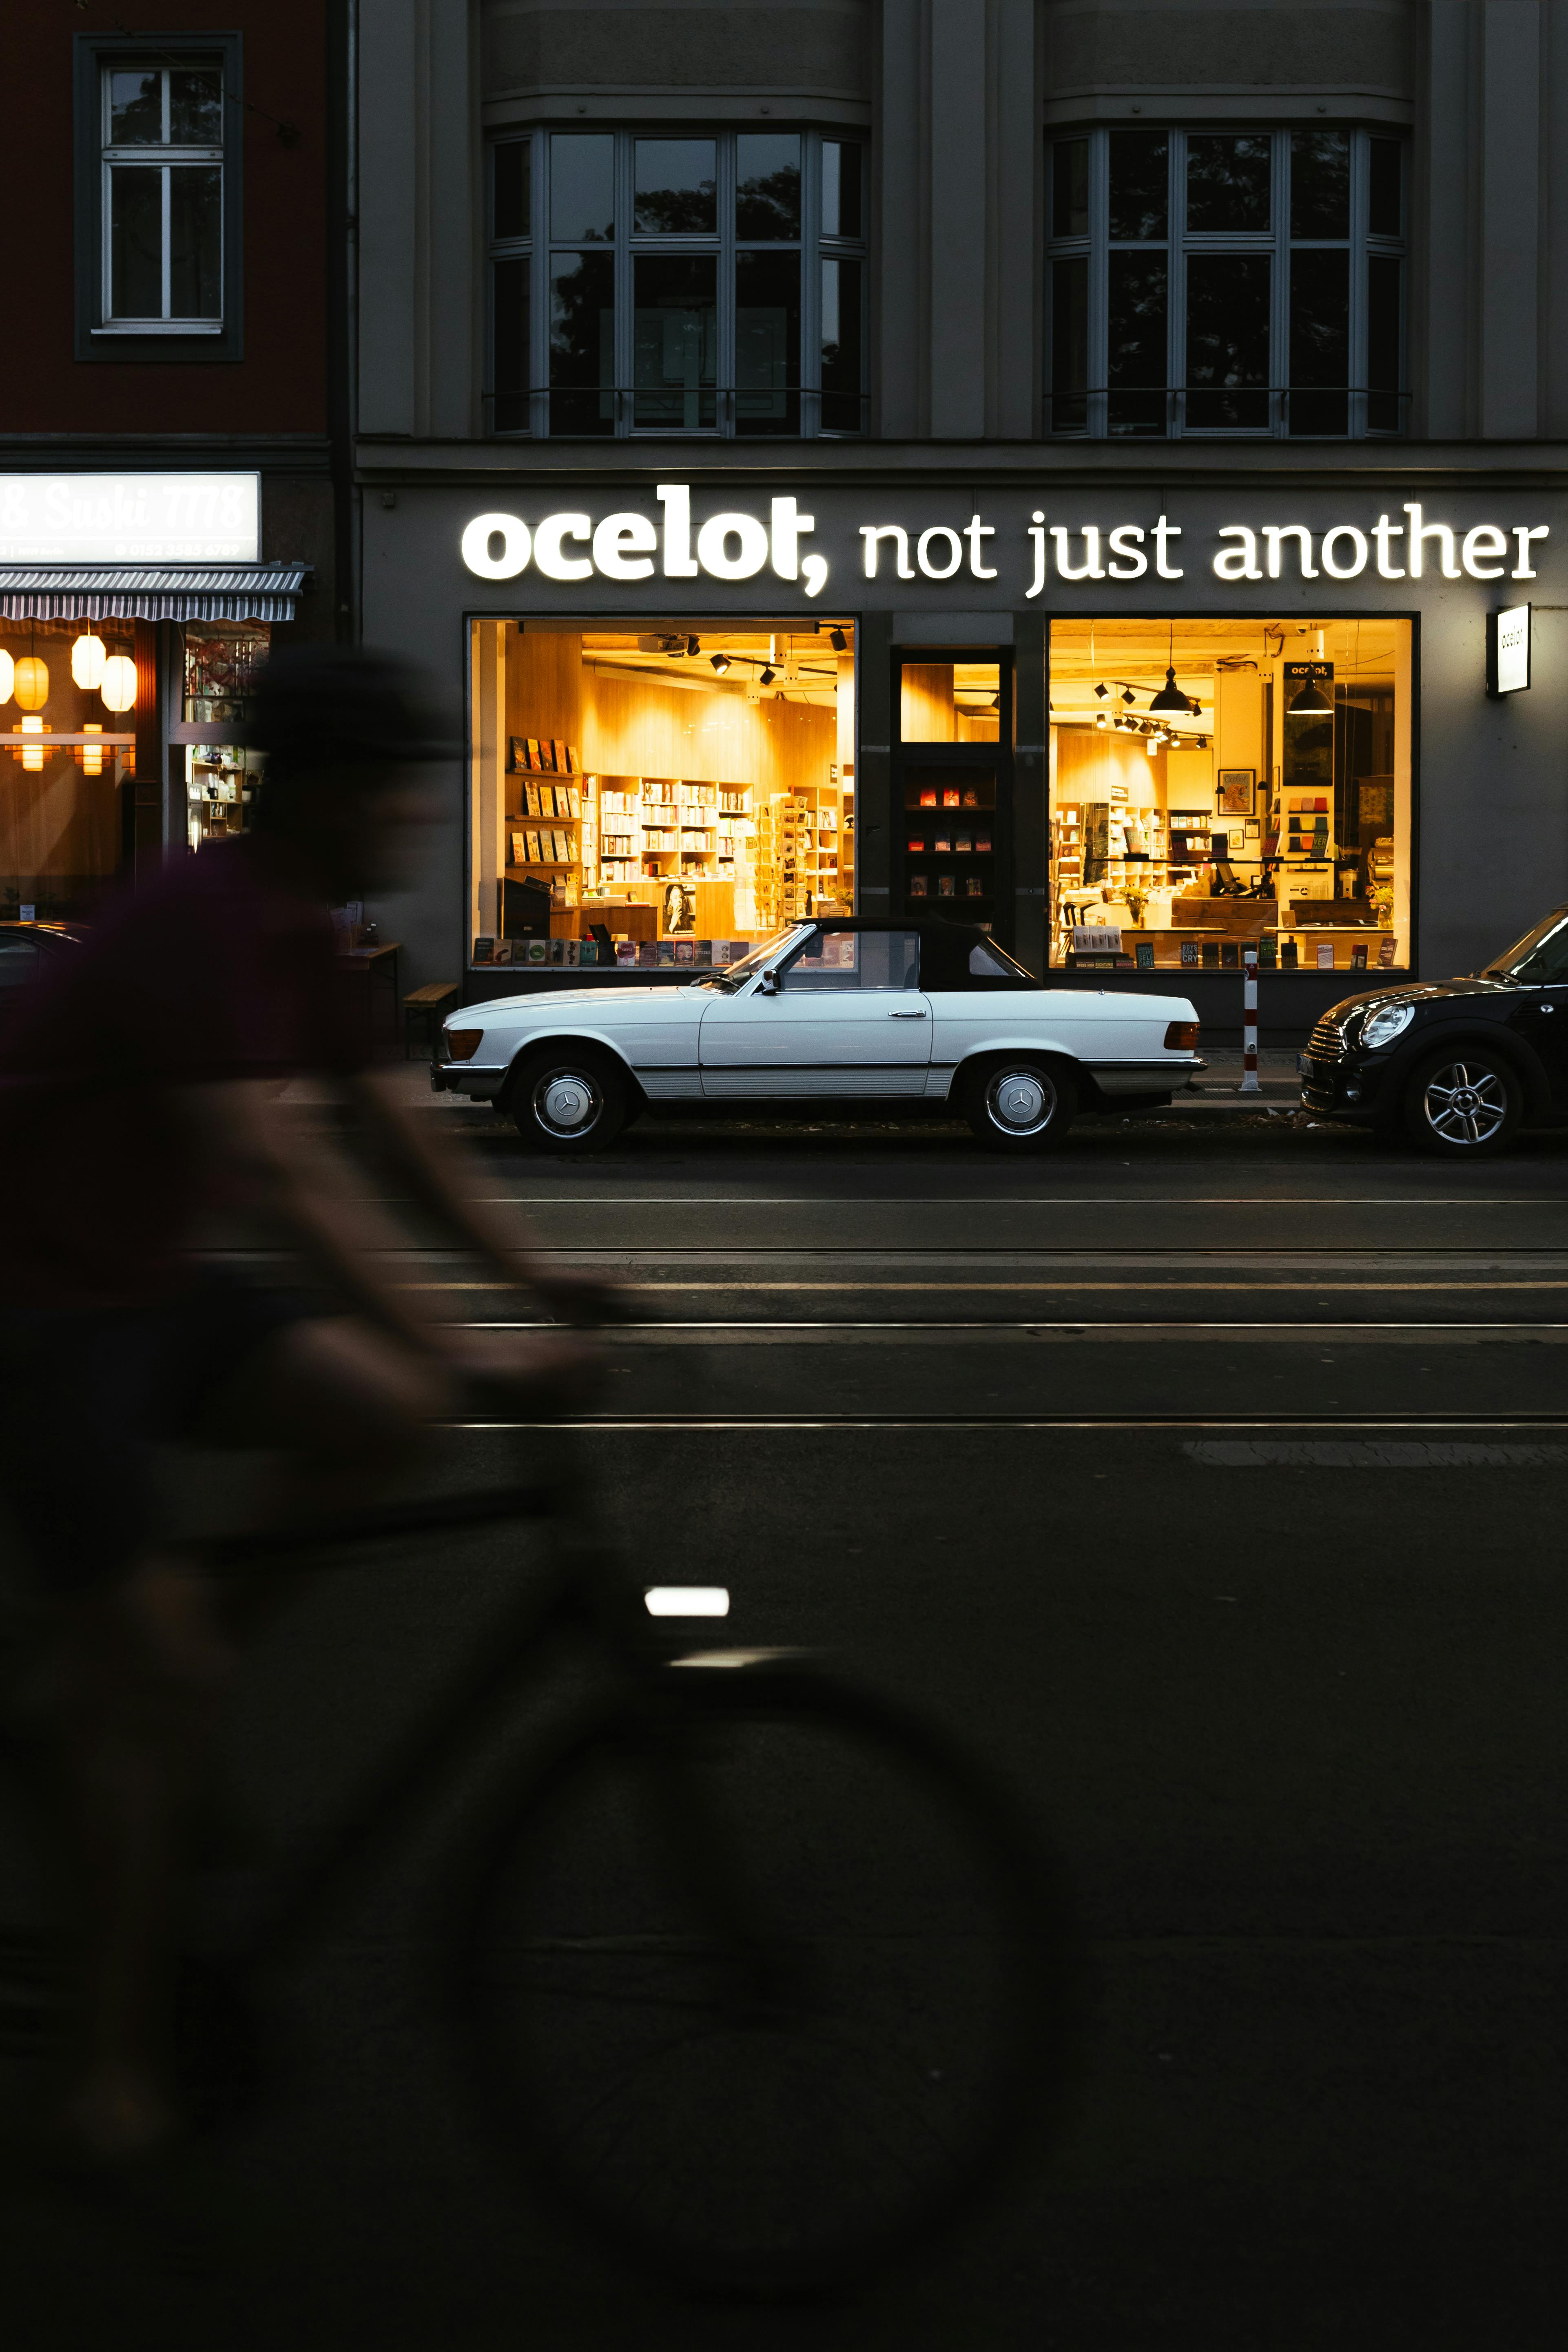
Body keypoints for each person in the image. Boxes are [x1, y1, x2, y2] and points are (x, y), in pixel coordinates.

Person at [0, 645, 605, 2169]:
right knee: (167, 1690)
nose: (420, 816)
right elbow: (284, 1176)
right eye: (404, 786)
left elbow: (404, 1143)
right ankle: (110, 2075)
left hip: (139, 1280)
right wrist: (472, 1347)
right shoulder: (200, 919)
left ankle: (146, 1658)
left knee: (381, 1416)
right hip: (35, 1312)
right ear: (331, 793)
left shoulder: (310, 935)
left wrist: (541, 1292)